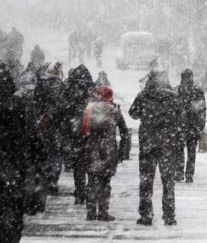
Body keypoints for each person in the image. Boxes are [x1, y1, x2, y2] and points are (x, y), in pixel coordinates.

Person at [0, 62, 48, 242]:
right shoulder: (20, 106)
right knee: (11, 213)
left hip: (12, 167)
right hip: (13, 169)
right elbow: (35, 141)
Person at [129, 70, 181, 226]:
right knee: (168, 181)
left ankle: (146, 214)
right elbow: (180, 116)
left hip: (148, 143)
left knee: (146, 180)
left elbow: (133, 113)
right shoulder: (173, 97)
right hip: (167, 144)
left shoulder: (143, 95)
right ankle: (169, 215)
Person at [80, 86, 128, 221]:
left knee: (91, 180)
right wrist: (123, 152)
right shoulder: (115, 111)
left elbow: (82, 130)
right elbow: (124, 132)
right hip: (109, 149)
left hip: (91, 147)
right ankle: (103, 212)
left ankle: (90, 212)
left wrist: (82, 147)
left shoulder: (89, 109)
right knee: (105, 182)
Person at [61, 64, 95, 204]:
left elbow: (63, 110)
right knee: (91, 163)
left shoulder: (69, 89)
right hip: (90, 131)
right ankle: (89, 191)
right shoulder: (91, 90)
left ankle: (80, 192)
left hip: (75, 131)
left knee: (79, 164)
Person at [33, 61, 66, 195]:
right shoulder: (63, 87)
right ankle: (54, 177)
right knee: (57, 152)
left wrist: (42, 115)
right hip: (58, 125)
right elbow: (65, 107)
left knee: (45, 151)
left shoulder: (41, 86)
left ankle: (44, 177)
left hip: (44, 124)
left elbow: (35, 103)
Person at [175, 69, 206, 183]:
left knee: (180, 150)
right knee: (191, 152)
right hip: (192, 126)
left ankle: (179, 172)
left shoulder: (177, 90)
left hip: (181, 125)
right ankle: (188, 174)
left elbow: (173, 109)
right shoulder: (197, 90)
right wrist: (201, 125)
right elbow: (202, 109)